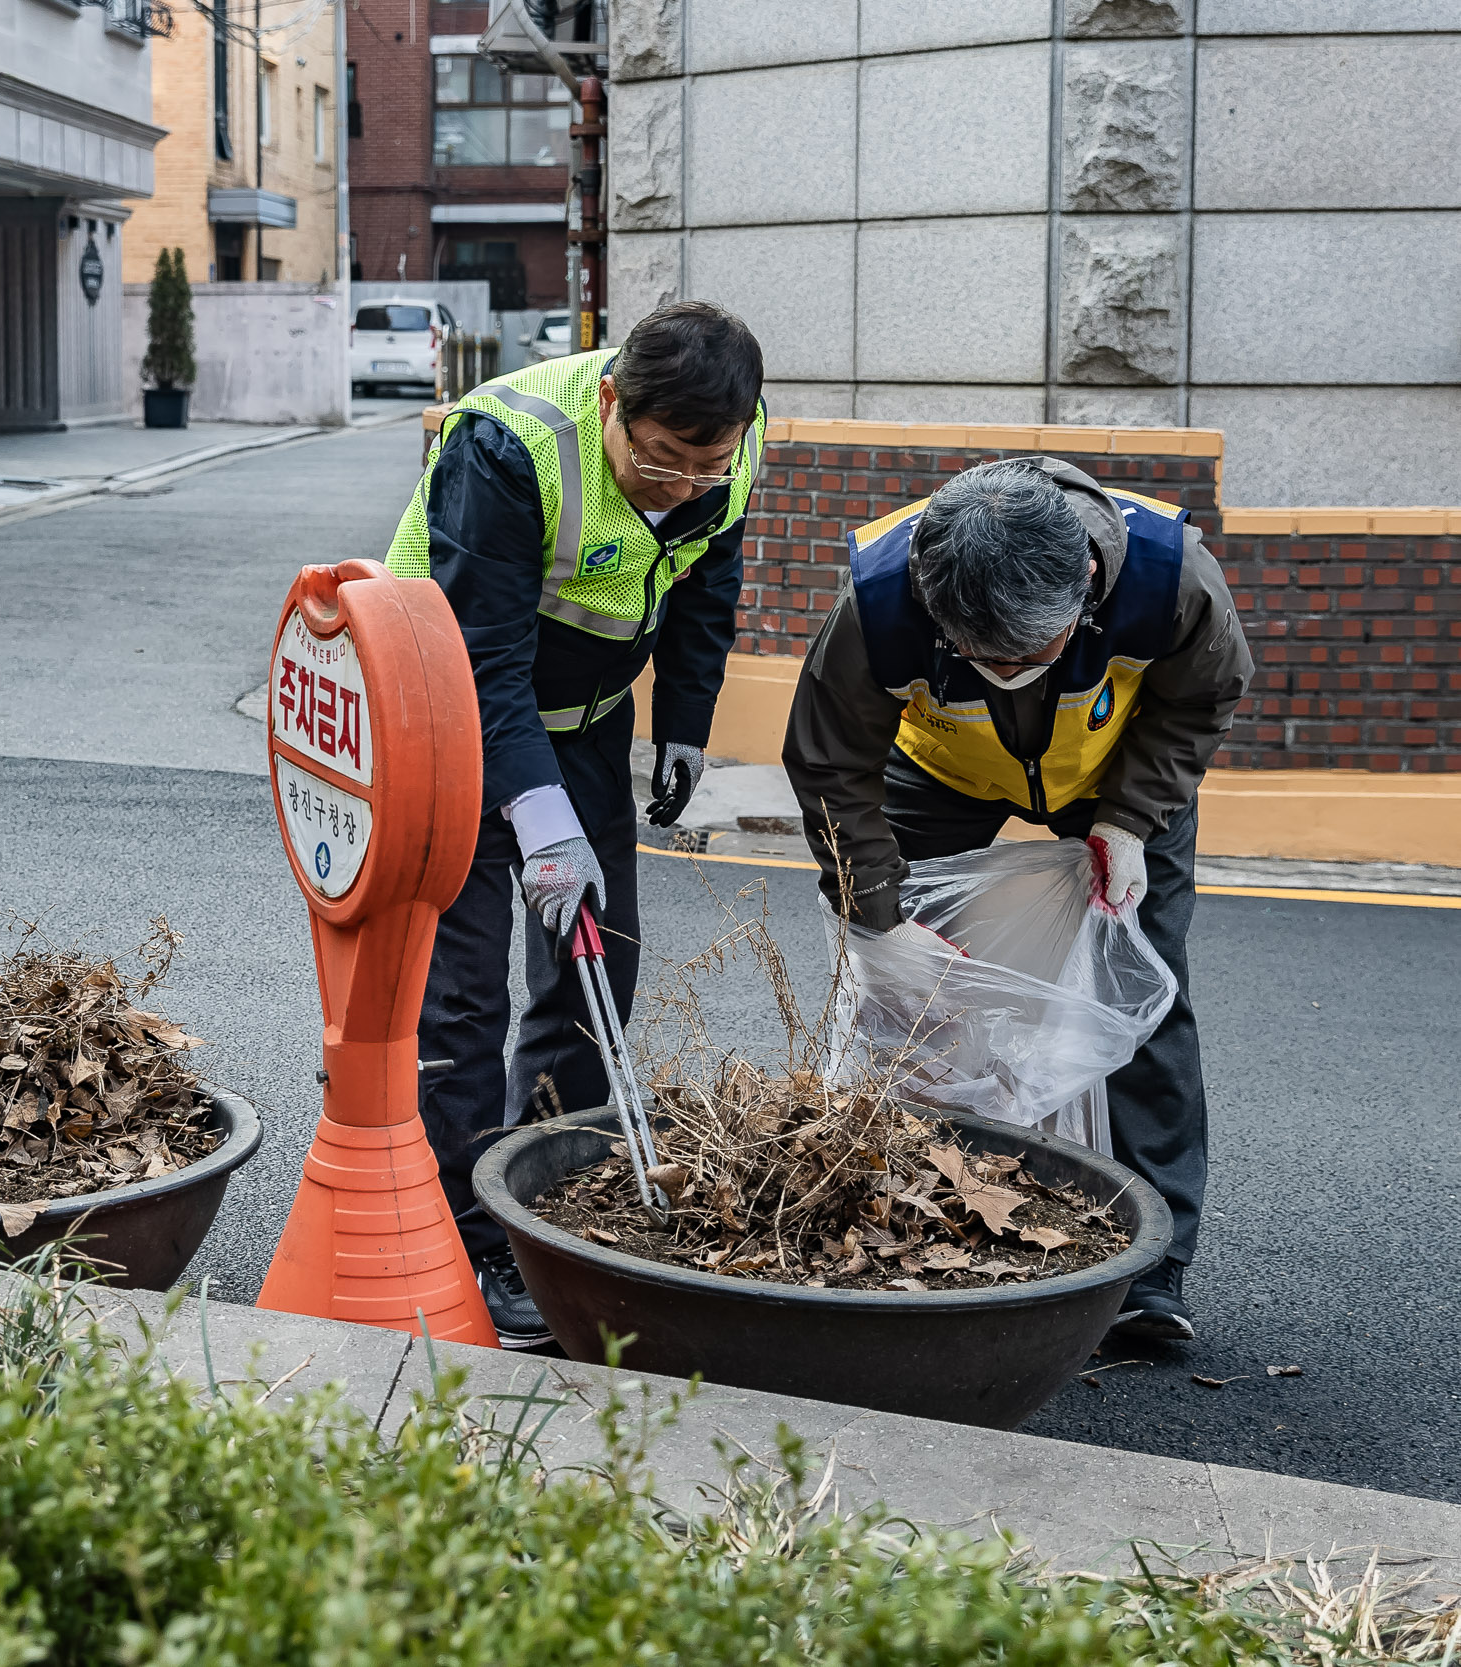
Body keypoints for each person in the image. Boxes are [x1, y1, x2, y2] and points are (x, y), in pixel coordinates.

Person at [784, 458, 1251, 1343]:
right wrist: (876, 917)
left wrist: (1131, 819)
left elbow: (1204, 696)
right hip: (938, 772)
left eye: (1025, 655)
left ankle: (1152, 1268)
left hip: (1114, 778)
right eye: (975, 656)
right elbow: (831, 765)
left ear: (1083, 585)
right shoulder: (884, 597)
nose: (1001, 670)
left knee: (1139, 995)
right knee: (899, 995)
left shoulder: (1170, 577)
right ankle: (891, 1209)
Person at [384, 300, 766, 1347]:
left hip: (592, 719)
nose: (680, 486)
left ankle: (542, 1195)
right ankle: (473, 1237)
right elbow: (481, 652)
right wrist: (536, 814)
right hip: (448, 713)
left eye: (705, 466)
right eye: (657, 461)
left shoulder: (734, 441)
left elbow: (706, 578)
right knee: (459, 994)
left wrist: (684, 725)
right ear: (610, 403)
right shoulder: (507, 447)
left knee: (596, 964)